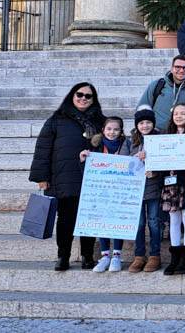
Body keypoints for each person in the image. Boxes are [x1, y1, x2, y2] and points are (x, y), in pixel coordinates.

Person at [30, 82, 104, 271]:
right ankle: (63, 256)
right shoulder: (56, 119)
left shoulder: (100, 121)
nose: (83, 99)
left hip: (91, 177)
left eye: (88, 96)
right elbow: (43, 148)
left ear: (93, 100)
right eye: (79, 94)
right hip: (63, 177)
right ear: (72, 95)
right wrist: (41, 177)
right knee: (65, 219)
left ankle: (88, 256)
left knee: (88, 219)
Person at [159, 104, 185, 276]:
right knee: (174, 218)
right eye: (176, 113)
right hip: (170, 182)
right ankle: (175, 258)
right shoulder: (165, 135)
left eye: (183, 113)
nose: (179, 116)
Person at [84, 116, 128, 272]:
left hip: (120, 188)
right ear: (103, 130)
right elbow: (87, 165)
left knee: (117, 220)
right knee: (102, 220)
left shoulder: (127, 144)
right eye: (109, 129)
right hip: (101, 189)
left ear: (121, 131)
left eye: (116, 129)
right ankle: (104, 256)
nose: (112, 132)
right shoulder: (95, 145)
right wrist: (84, 158)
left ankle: (116, 255)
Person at [124, 107, 164, 273]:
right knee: (139, 224)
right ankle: (139, 255)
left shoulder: (160, 139)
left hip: (154, 187)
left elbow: (166, 160)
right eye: (141, 123)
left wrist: (155, 168)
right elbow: (124, 162)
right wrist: (136, 158)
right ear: (137, 125)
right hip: (135, 189)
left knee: (154, 222)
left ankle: (155, 255)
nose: (145, 125)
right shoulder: (130, 141)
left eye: (148, 122)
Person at [138, 56, 185, 131]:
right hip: (158, 133)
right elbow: (143, 107)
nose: (181, 70)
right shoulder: (158, 85)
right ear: (172, 69)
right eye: (177, 67)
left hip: (183, 135)